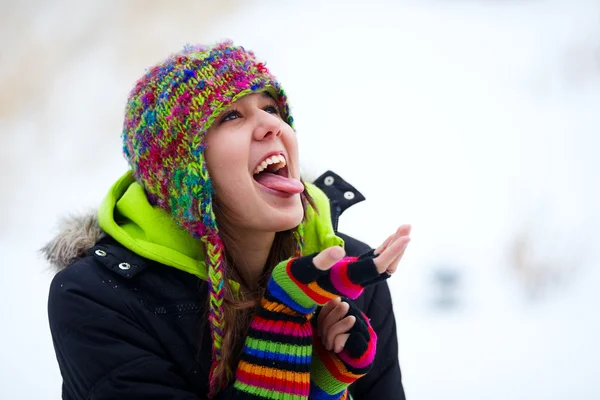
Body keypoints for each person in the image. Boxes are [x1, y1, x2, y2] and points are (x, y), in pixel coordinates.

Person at [43, 41, 411, 399]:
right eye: (230, 115)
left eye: (271, 107)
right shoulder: (98, 297)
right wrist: (283, 321)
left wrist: (325, 385)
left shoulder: (348, 272)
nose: (271, 125)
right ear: (184, 171)